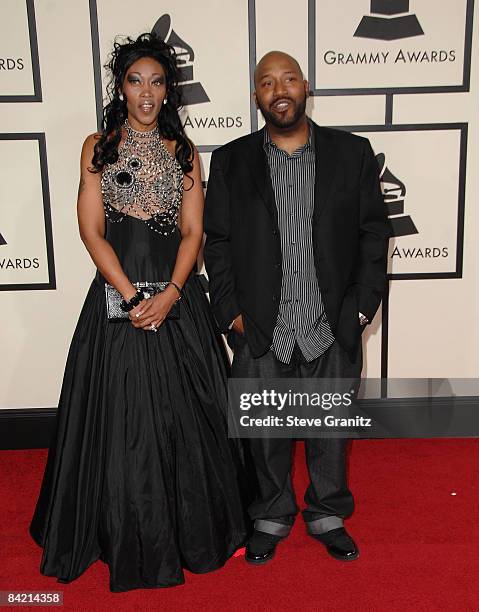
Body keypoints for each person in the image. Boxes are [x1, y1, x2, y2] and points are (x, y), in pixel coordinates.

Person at [30, 33, 251, 592]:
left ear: (169, 89)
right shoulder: (96, 146)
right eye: (135, 81)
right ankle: (117, 530)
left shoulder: (183, 152)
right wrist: (131, 296)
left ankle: (193, 531)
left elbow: (193, 231)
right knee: (117, 422)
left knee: (189, 421)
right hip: (116, 302)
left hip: (177, 303)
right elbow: (90, 231)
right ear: (120, 87)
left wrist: (173, 293)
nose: (146, 93)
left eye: (156, 82)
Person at [204, 51, 390, 564]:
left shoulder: (351, 153)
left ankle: (327, 510)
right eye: (267, 83)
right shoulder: (231, 160)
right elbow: (215, 243)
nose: (279, 90)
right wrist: (231, 313)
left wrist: (359, 309)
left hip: (331, 320)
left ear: (305, 86)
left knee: (330, 427)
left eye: (288, 79)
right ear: (257, 95)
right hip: (263, 323)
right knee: (265, 430)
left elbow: (374, 234)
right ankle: (271, 512)